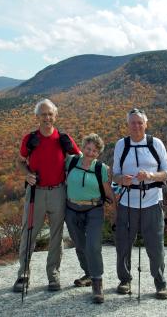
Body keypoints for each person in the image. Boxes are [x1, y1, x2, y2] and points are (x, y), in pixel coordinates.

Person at [13, 99, 81, 293]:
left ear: (55, 116)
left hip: (59, 191)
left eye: (50, 114)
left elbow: (82, 158)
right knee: (29, 234)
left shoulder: (63, 138)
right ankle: (23, 275)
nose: (47, 118)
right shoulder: (30, 139)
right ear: (37, 117)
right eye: (43, 114)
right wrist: (27, 174)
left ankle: (53, 275)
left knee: (56, 236)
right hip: (36, 192)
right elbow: (20, 161)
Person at [112, 108, 167, 300]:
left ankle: (160, 283)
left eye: (140, 122)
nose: (136, 126)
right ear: (128, 125)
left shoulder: (156, 144)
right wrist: (123, 179)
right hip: (127, 202)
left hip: (153, 202)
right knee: (123, 243)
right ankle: (124, 280)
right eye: (133, 123)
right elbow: (114, 174)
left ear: (146, 124)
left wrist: (151, 175)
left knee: (155, 246)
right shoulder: (121, 145)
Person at [64, 133, 115, 304]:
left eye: (94, 150)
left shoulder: (101, 168)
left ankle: (97, 282)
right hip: (71, 209)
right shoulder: (71, 161)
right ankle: (88, 273)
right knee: (80, 245)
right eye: (88, 148)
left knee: (93, 245)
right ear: (83, 147)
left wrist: (118, 210)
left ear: (98, 153)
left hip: (94, 210)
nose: (90, 152)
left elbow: (108, 192)